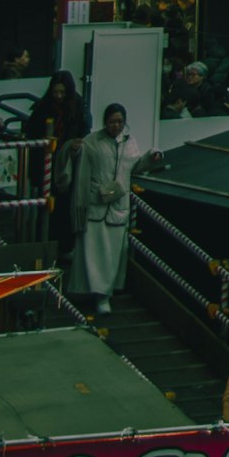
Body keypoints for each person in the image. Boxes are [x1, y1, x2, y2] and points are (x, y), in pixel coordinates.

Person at [66, 101, 139, 323]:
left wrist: (153, 157)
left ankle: (103, 295)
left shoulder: (130, 143)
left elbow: (136, 166)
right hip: (96, 203)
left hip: (117, 207)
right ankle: (87, 291)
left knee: (111, 256)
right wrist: (73, 149)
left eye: (120, 122)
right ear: (104, 122)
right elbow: (74, 158)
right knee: (90, 252)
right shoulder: (92, 141)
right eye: (112, 121)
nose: (116, 126)